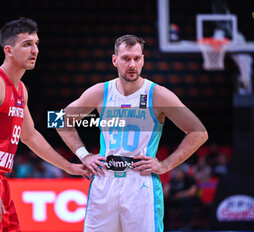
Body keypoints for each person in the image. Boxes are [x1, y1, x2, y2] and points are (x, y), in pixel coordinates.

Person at [56, 35, 208, 232]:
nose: (132, 64)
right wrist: (83, 155)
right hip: (105, 180)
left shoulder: (157, 94)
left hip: (140, 183)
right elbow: (59, 120)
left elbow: (199, 132)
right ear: (115, 60)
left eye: (137, 58)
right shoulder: (100, 92)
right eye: (126, 58)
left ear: (143, 60)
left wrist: (165, 164)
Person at [0, 17, 90, 231]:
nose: (34, 50)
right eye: (27, 44)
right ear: (8, 50)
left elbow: (30, 136)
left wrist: (69, 167)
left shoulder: (20, 89)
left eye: (36, 44)